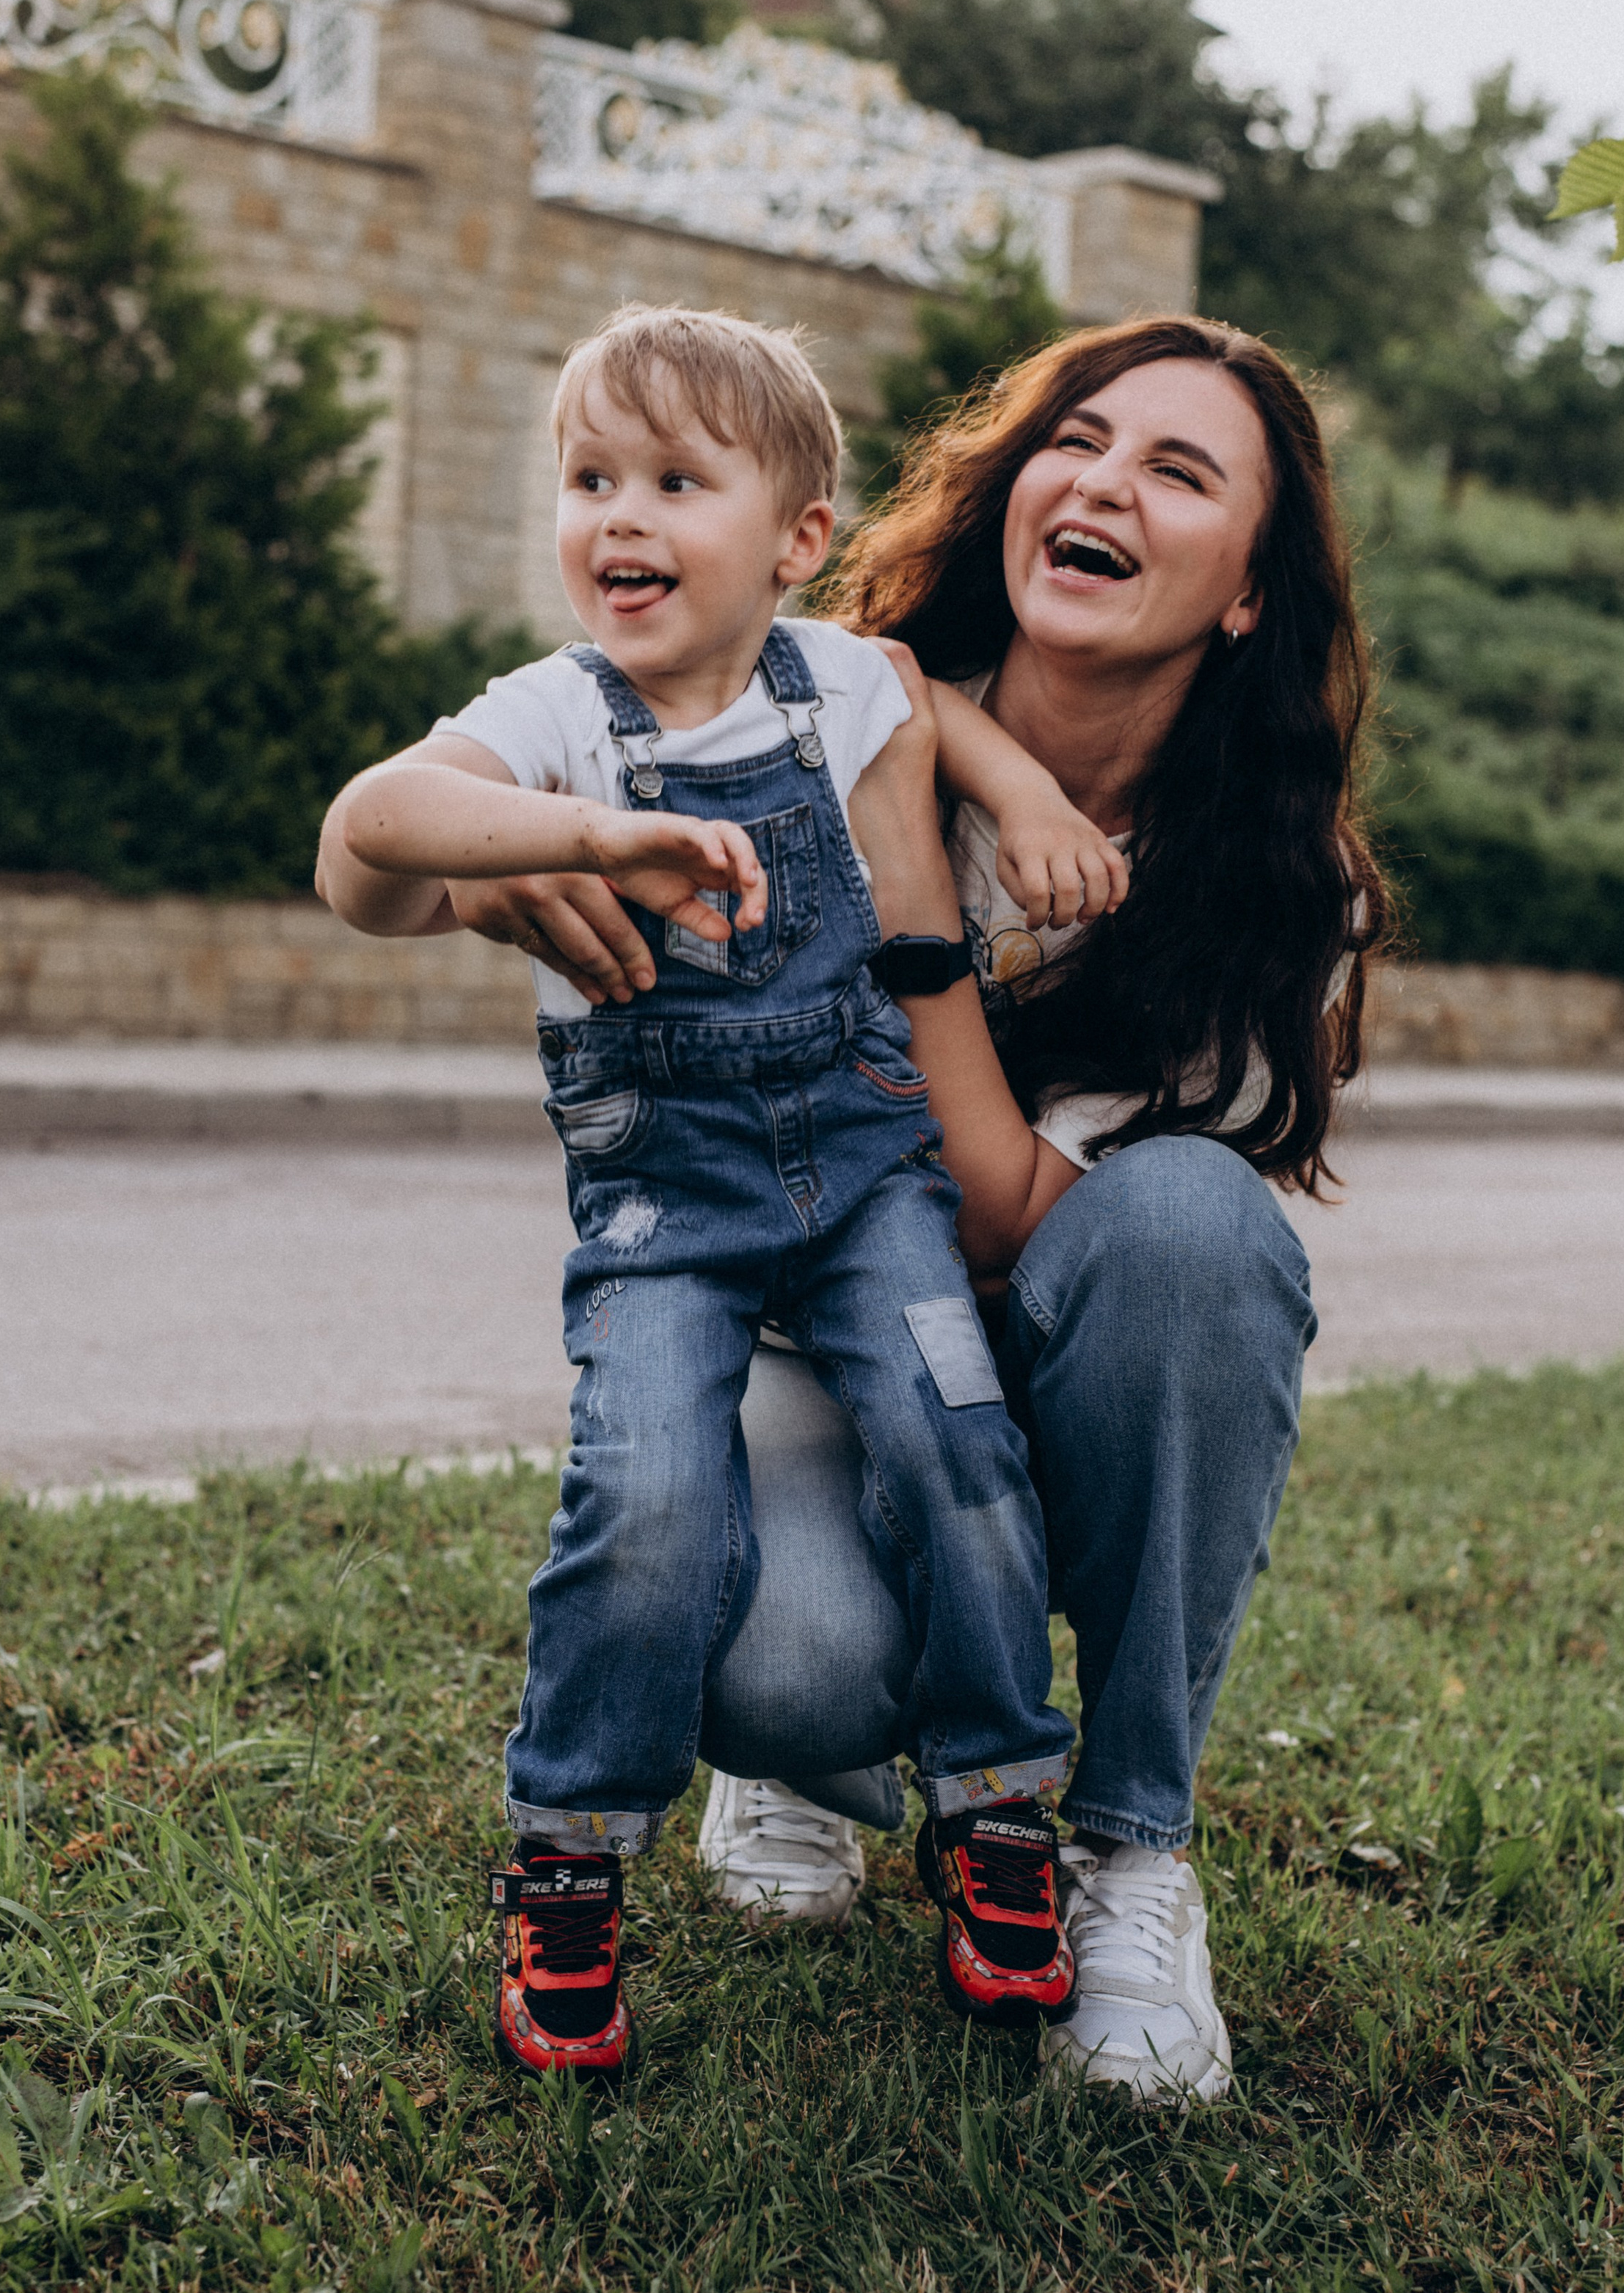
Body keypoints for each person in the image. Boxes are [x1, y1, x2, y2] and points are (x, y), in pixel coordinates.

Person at [476, 314, 1392, 2106]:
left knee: (1194, 1230)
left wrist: (907, 914)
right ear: (1017, 486)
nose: (1104, 481)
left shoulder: (1271, 882)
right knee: (790, 1657)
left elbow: (1011, 1219)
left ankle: (1126, 1851)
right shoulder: (806, 704)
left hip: (1031, 1359)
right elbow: (481, 817)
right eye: (1081, 438)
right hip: (806, 1345)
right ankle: (804, 1769)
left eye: (1177, 472)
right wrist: (539, 866)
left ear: (1242, 598)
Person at [316, 304, 1140, 2082]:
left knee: (953, 1434)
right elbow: (376, 823)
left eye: (675, 481)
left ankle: (998, 1811)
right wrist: (578, 838)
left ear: (794, 540)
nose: (620, 516)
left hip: (863, 1183)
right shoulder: (553, 722)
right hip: (663, 1216)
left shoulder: (835, 681)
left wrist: (1022, 790)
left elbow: (927, 705)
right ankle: (570, 1859)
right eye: (589, 478)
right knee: (648, 1499)